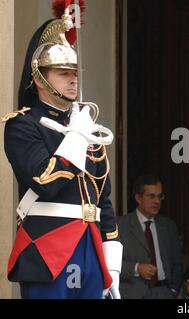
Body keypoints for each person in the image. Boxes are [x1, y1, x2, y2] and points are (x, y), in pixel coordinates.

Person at [2, 12, 122, 299]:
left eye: (74, 73)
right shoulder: (22, 125)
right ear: (39, 79)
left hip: (91, 248)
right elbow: (45, 180)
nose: (72, 81)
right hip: (47, 246)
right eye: (63, 73)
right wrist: (78, 136)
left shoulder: (85, 126)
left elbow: (101, 198)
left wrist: (112, 266)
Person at [118, 175, 183, 299]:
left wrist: (173, 290)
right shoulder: (121, 225)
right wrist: (136, 268)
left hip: (164, 292)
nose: (157, 201)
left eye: (160, 196)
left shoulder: (169, 226)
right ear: (138, 198)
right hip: (132, 294)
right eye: (151, 196)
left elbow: (177, 264)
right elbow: (110, 264)